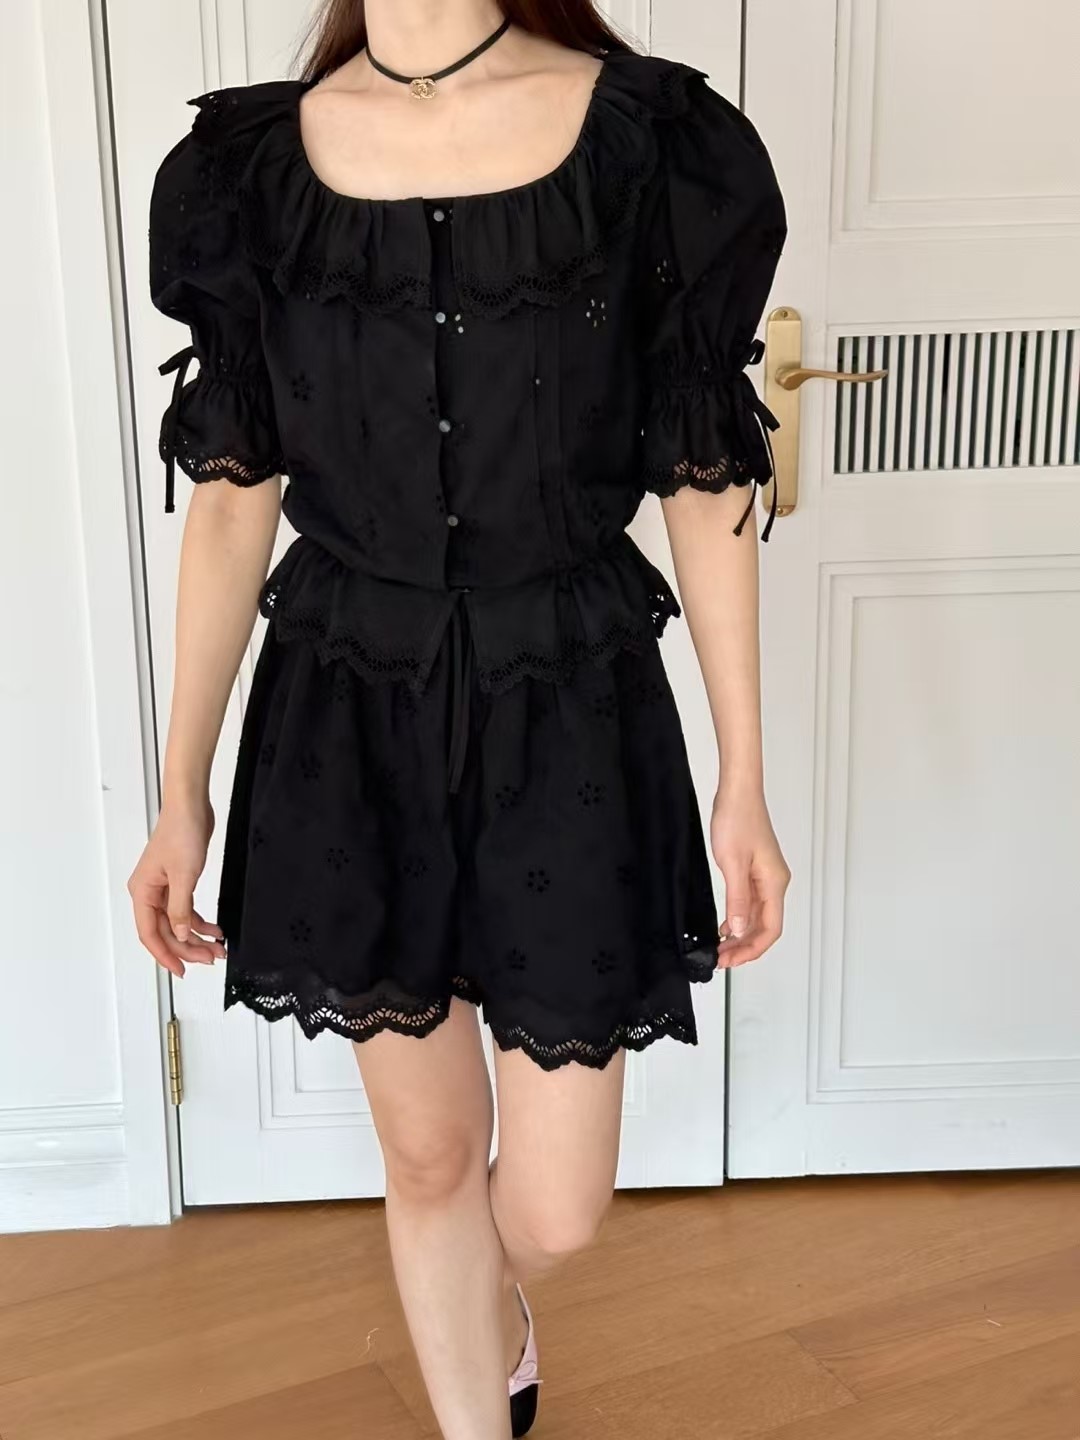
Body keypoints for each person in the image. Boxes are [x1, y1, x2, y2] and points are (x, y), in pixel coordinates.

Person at [128, 2, 792, 1436]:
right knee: (429, 1159)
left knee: (553, 1208)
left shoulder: (650, 141)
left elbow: (702, 478)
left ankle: (500, 1310)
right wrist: (180, 788)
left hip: (570, 703)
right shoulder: (249, 172)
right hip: (347, 707)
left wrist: (744, 774)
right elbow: (232, 506)